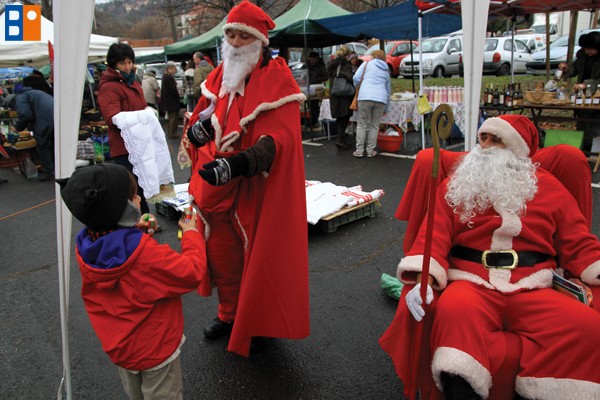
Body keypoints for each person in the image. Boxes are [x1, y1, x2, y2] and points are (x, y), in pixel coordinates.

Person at [381, 115, 600, 400]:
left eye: (496, 139)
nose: (485, 146)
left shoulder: (550, 188)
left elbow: (578, 242)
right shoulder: (455, 187)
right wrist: (422, 280)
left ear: (518, 149)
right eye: (483, 138)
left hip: (533, 284)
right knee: (455, 313)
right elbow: (432, 238)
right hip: (471, 282)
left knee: (587, 328)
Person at [185, 0, 309, 357]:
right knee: (222, 259)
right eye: (231, 35)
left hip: (256, 189)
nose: (236, 42)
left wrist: (237, 164)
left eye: (244, 35)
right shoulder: (220, 74)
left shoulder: (276, 77)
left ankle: (259, 321)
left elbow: (278, 142)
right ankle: (228, 314)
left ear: (260, 41)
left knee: (259, 259)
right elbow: (207, 116)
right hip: (215, 192)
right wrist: (198, 134)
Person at [56, 163, 206, 400]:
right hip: (154, 348)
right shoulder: (145, 255)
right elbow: (192, 272)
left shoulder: (86, 244)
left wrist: (133, 230)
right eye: (135, 197)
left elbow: (115, 246)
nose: (139, 199)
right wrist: (191, 234)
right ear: (125, 210)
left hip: (120, 347)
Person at [97, 43, 150, 214]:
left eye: (129, 62)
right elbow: (112, 118)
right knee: (131, 189)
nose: (127, 66)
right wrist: (141, 117)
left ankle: (146, 219)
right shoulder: (109, 86)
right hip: (124, 147)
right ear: (113, 65)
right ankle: (135, 225)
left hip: (140, 143)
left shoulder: (132, 81)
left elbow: (140, 106)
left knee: (143, 186)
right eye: (122, 63)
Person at [558, 31, 600, 152]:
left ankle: (595, 153)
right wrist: (566, 69)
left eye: (590, 49)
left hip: (596, 96)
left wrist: (586, 84)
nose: (587, 51)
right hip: (582, 97)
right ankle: (581, 151)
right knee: (581, 125)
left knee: (594, 128)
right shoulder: (582, 56)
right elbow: (575, 69)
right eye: (585, 48)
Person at [6, 88, 55, 181]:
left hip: (46, 120)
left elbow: (26, 115)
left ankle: (50, 172)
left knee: (42, 145)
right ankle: (58, 168)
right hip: (54, 116)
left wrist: (17, 127)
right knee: (53, 144)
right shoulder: (31, 93)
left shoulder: (20, 98)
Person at [352, 49, 390, 158]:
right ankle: (370, 150)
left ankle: (359, 150)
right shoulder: (386, 70)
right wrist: (386, 107)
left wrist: (358, 87)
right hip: (381, 98)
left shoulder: (366, 64)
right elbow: (388, 90)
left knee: (362, 124)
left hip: (365, 96)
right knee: (374, 125)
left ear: (372, 57)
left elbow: (356, 78)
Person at [326, 46, 354, 149]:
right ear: (347, 55)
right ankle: (340, 140)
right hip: (344, 96)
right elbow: (351, 77)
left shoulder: (332, 63)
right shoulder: (345, 64)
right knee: (344, 117)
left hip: (334, 94)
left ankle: (340, 139)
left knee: (339, 118)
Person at [306, 51, 328, 129]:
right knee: (309, 105)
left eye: (312, 59)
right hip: (308, 86)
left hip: (317, 87)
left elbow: (326, 77)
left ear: (316, 58)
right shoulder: (308, 65)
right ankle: (312, 120)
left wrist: (315, 80)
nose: (311, 61)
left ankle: (315, 121)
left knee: (314, 105)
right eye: (310, 59)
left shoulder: (321, 66)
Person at [160, 61, 181, 139]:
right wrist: (178, 97)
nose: (175, 70)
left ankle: (172, 133)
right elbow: (173, 90)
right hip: (171, 101)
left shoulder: (165, 76)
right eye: (174, 69)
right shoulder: (169, 77)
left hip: (167, 101)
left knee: (172, 117)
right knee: (173, 118)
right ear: (170, 68)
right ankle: (172, 134)